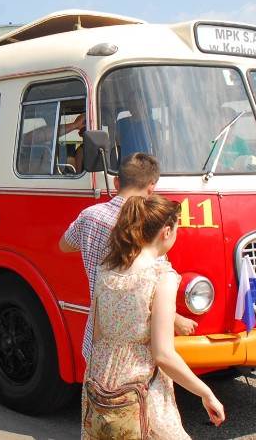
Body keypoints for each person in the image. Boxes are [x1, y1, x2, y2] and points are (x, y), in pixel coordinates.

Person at [83, 195, 225, 438]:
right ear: (166, 231)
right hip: (141, 394)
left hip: (100, 389)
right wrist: (205, 392)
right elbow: (163, 355)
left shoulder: (106, 269)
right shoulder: (161, 277)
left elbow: (97, 335)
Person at [59, 152, 197, 362]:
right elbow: (149, 294)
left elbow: (64, 245)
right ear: (151, 187)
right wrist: (176, 319)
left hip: (97, 340)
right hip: (135, 353)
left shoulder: (89, 215)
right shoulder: (150, 227)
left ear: (116, 181)